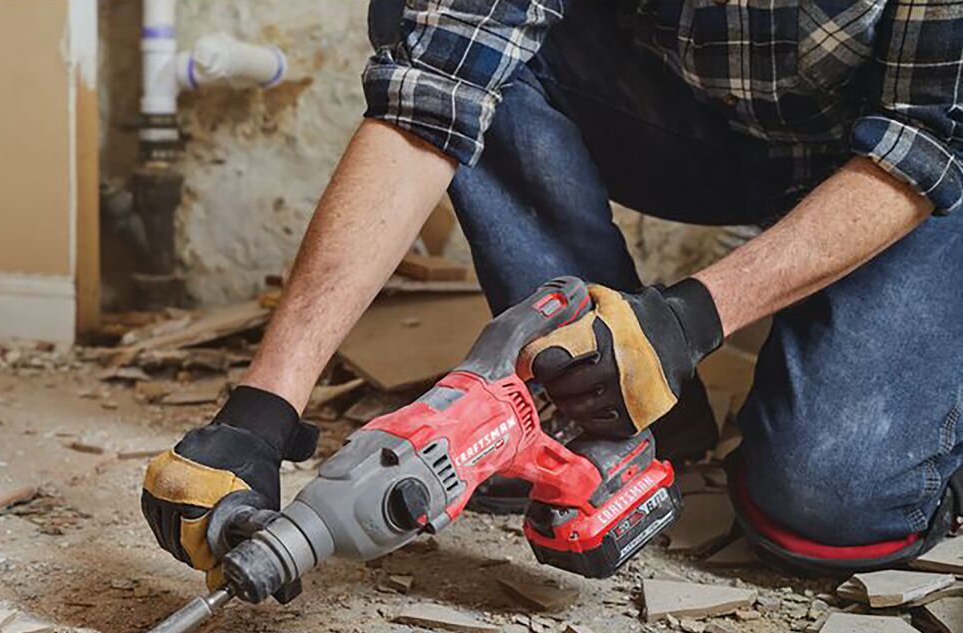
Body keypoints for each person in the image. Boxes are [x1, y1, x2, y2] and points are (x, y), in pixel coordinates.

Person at [143, 0, 963, 577]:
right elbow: (437, 82)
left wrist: (690, 319)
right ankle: (619, 406)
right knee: (425, 16)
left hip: (903, 170)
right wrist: (263, 408)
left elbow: (923, 133)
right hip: (701, 128)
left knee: (827, 505)